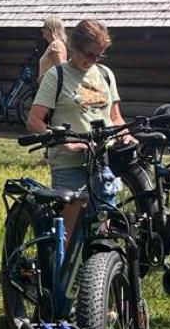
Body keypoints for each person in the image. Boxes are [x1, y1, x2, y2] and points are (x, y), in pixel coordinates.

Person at [26, 19, 129, 241]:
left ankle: (94, 273)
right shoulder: (57, 76)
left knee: (103, 231)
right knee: (71, 236)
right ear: (75, 47)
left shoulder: (105, 74)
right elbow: (34, 120)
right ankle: (62, 272)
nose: (93, 60)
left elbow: (115, 116)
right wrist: (66, 143)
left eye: (99, 55)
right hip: (69, 164)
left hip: (102, 162)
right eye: (89, 54)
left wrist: (126, 135)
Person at [38, 15, 68, 80]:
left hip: (51, 87)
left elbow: (60, 70)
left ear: (51, 29)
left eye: (44, 27)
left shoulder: (55, 45)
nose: (42, 30)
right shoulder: (57, 44)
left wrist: (42, 78)